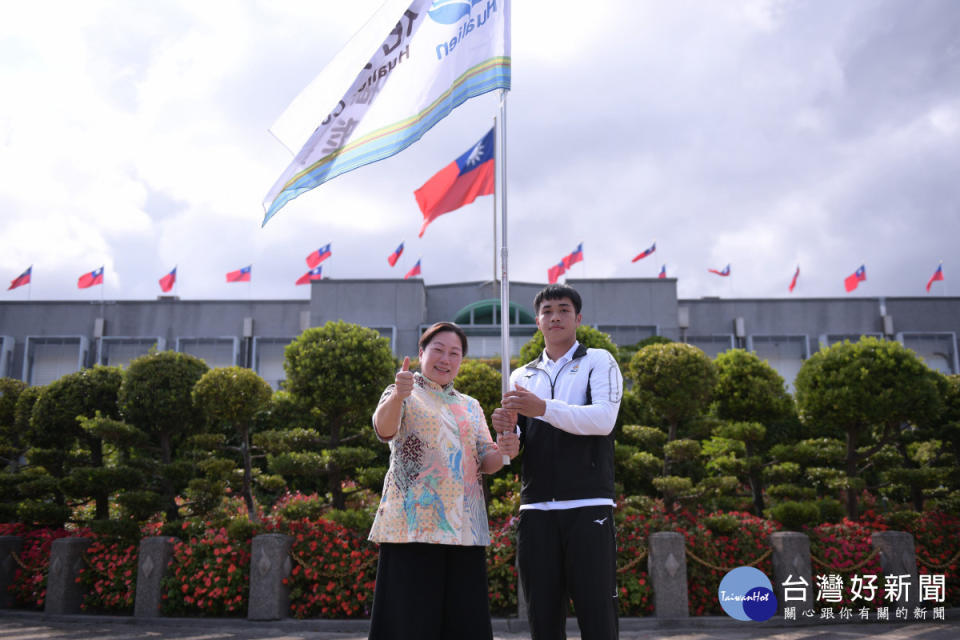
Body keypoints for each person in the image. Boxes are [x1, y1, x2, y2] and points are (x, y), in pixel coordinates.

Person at [368, 321, 520, 640]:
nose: (446, 359)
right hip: (412, 528)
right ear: (421, 353)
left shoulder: (470, 405)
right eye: (438, 350)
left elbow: (487, 461)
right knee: (411, 624)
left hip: (464, 529)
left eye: (455, 353)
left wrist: (506, 450)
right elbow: (384, 429)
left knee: (463, 624)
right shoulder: (403, 392)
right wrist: (398, 395)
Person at [492, 284, 624, 640]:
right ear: (537, 321)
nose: (555, 316)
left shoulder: (598, 361)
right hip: (536, 509)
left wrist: (543, 409)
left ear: (577, 318)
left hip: (589, 504)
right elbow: (514, 448)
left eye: (563, 310)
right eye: (547, 311)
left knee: (597, 611)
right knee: (542, 614)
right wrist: (506, 436)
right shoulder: (520, 377)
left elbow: (603, 420)